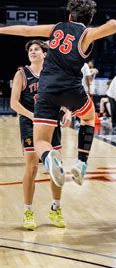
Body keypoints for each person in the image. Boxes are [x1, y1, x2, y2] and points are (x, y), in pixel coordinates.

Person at [0, 0, 116, 187]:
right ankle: (81, 163)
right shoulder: (86, 34)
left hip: (46, 91)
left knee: (40, 142)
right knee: (88, 118)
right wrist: (98, 28)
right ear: (88, 19)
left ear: (69, 15)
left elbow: (26, 29)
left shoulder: (55, 28)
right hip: (71, 89)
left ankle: (49, 159)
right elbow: (114, 25)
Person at [10, 40, 71, 230]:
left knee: (56, 167)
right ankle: (28, 211)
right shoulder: (22, 74)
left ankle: (56, 208)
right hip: (30, 123)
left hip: (51, 123)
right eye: (30, 50)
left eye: (37, 49)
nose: (33, 51)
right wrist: (32, 116)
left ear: (45, 54)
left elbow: (62, 98)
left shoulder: (52, 73)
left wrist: (67, 110)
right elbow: (14, 103)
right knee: (31, 168)